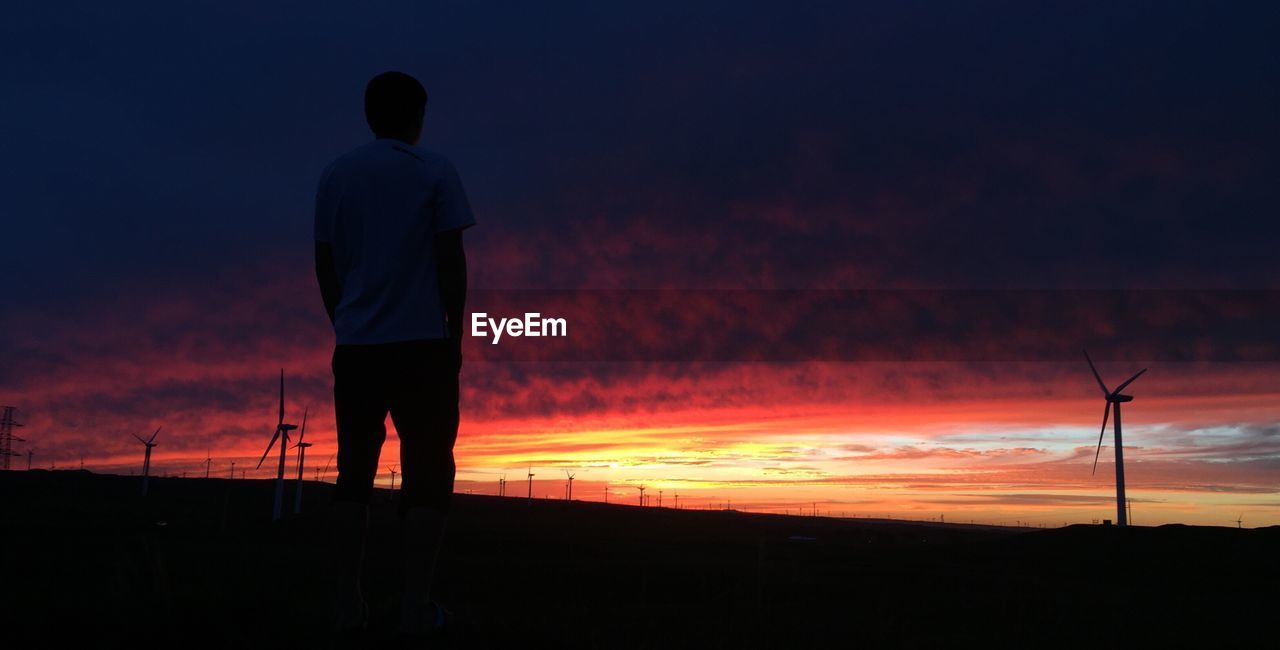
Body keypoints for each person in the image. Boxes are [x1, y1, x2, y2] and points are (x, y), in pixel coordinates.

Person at [313, 70, 474, 638]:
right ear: (417, 116)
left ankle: (345, 603)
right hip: (423, 347)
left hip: (356, 347)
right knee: (428, 476)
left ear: (369, 115)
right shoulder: (435, 171)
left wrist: (345, 320)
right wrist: (455, 338)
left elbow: (325, 263)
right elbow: (451, 261)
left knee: (352, 474)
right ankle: (414, 605)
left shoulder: (336, 175)